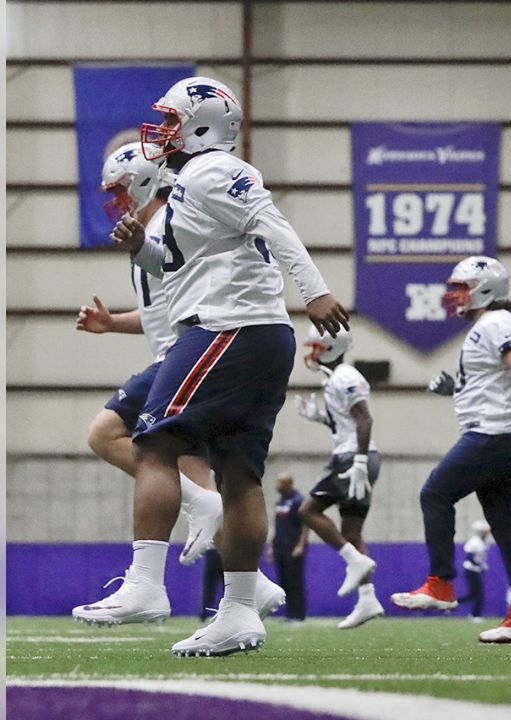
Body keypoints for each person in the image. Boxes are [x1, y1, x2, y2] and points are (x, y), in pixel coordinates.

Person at [117, 76, 349, 656]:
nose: (163, 130)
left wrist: (314, 291)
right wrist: (138, 246)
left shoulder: (213, 170)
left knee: (153, 445)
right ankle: (241, 611)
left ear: (203, 124)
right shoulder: (186, 183)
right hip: (249, 331)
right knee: (238, 476)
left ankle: (146, 584)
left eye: (171, 119)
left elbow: (274, 223)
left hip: (229, 327)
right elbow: (174, 266)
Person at [73, 142, 285, 627]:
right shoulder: (150, 228)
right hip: (191, 351)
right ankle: (256, 590)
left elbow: (197, 294)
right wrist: (114, 324)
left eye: (120, 188)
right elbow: (161, 307)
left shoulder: (176, 217)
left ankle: (170, 568)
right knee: (210, 476)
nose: (115, 199)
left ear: (147, 178)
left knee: (110, 435)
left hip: (194, 352)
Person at [390, 256, 511, 644]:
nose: (454, 296)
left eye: (461, 288)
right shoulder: (488, 326)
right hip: (505, 436)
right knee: (508, 525)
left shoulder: (498, 322)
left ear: (484, 289)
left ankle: (441, 584)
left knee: (435, 493)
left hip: (496, 434)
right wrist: (457, 388)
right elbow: (492, 380)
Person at [294, 327, 384, 630]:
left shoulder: (344, 376)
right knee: (353, 532)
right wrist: (320, 417)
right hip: (357, 456)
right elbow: (347, 420)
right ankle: (368, 598)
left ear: (331, 347)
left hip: (352, 458)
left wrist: (358, 460)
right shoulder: (336, 378)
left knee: (307, 510)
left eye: (318, 346)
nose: (313, 352)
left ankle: (355, 561)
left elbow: (364, 418)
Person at [272, 474, 309, 622]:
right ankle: (289, 613)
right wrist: (272, 545)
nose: (277, 485)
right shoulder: (280, 502)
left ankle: (298, 614)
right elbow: (278, 526)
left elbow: (306, 525)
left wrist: (301, 545)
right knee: (284, 581)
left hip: (293, 547)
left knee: (295, 581)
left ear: (288, 483)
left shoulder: (298, 500)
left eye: (280, 482)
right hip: (280, 546)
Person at [458, 521, 492, 620]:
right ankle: (476, 615)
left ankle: (452, 604)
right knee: (477, 594)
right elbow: (469, 558)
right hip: (471, 570)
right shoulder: (474, 542)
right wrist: (480, 565)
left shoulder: (482, 542)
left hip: (476, 570)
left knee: (473, 595)